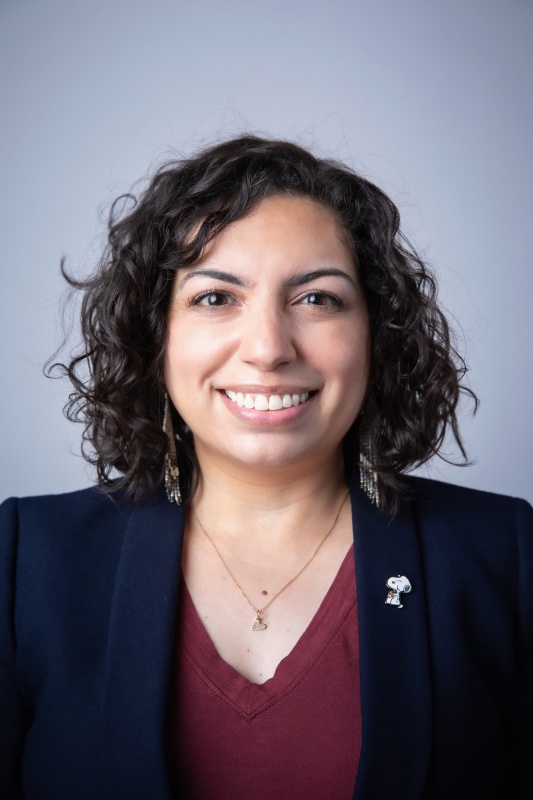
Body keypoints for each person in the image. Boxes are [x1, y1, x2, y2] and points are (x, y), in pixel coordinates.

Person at [1, 135, 531, 800]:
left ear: (376, 333)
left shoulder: (502, 557)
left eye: (315, 299)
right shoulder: (27, 559)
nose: (268, 348)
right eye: (215, 297)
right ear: (155, 335)